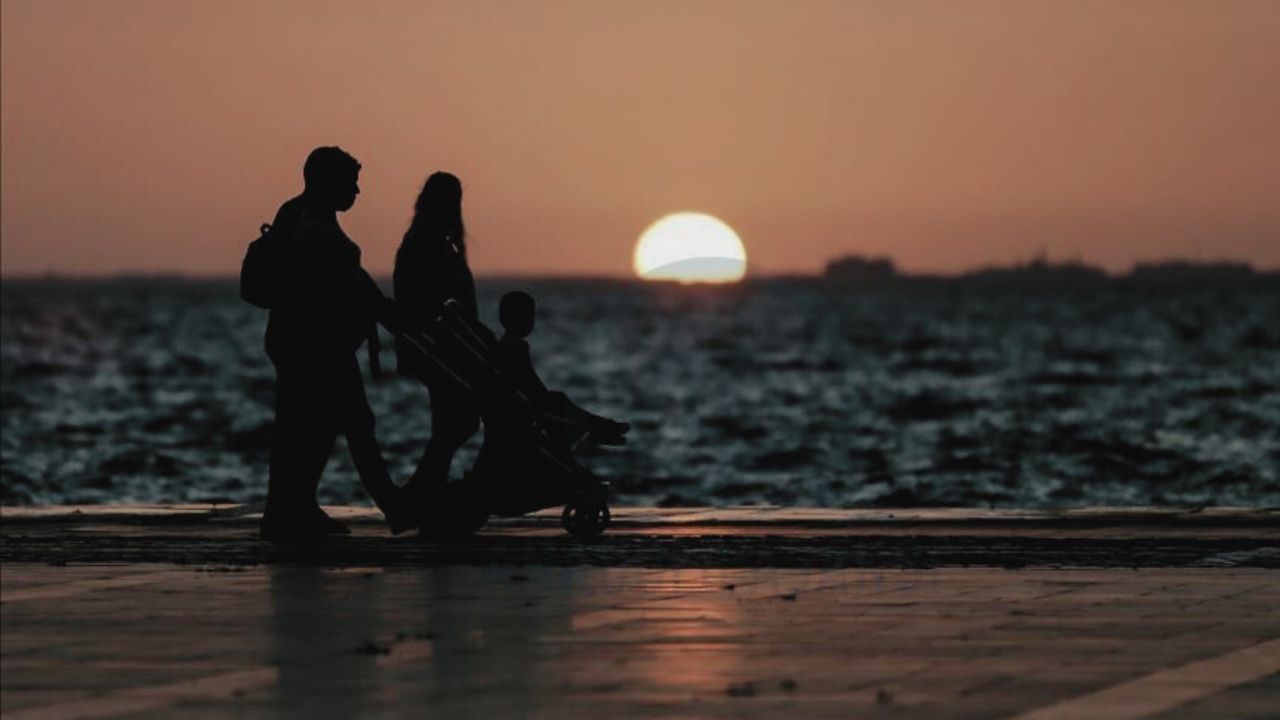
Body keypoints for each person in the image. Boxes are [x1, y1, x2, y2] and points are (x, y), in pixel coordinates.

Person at [260, 146, 410, 541]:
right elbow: (336, 281)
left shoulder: (305, 215)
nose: (357, 191)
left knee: (308, 427)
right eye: (351, 182)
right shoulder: (310, 224)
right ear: (329, 182)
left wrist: (382, 312)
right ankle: (392, 508)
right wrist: (384, 313)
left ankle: (288, 509)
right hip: (313, 346)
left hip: (311, 343)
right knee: (346, 424)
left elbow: (352, 280)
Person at [394, 172, 485, 508]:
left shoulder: (433, 241)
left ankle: (425, 491)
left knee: (452, 423)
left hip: (448, 347)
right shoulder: (425, 243)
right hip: (439, 348)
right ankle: (421, 491)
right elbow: (423, 300)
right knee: (456, 423)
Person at [493, 291, 630, 446]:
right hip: (526, 408)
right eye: (529, 315)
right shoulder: (517, 346)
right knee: (557, 401)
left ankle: (598, 425)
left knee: (557, 400)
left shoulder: (501, 345)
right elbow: (531, 382)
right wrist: (545, 399)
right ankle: (599, 425)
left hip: (521, 405)